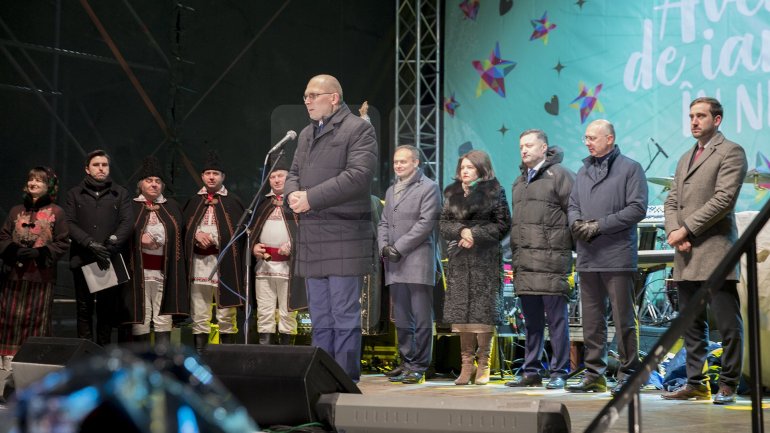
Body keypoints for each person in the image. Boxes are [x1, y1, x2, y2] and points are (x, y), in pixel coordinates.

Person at [284, 74, 378, 382]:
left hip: (345, 235)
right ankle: (321, 375)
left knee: (343, 313)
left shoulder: (359, 129)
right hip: (313, 235)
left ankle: (345, 375)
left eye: (313, 95)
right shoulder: (305, 134)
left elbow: (358, 176)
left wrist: (310, 198)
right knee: (320, 315)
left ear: (334, 98)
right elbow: (293, 173)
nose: (307, 101)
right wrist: (292, 195)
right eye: (305, 96)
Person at [662, 97, 747, 404]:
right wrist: (674, 231)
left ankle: (728, 384)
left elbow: (723, 200)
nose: (694, 121)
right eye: (691, 116)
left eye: (700, 116)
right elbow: (672, 200)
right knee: (691, 322)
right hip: (684, 253)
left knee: (726, 323)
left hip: (714, 251)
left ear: (717, 119)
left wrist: (686, 230)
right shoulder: (686, 157)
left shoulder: (731, 151)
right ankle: (696, 382)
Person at [567, 119, 648, 395]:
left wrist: (599, 226)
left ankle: (628, 375)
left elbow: (637, 208)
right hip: (588, 255)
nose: (587, 142)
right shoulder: (582, 171)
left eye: (592, 138)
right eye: (586, 138)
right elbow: (573, 204)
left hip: (617, 255)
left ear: (609, 139)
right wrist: (576, 222)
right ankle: (595, 374)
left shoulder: (631, 168)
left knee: (624, 319)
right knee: (591, 319)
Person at [505, 130, 574, 390]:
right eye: (521, 146)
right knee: (531, 322)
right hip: (525, 262)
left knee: (557, 321)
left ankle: (559, 370)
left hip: (551, 260)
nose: (524, 150)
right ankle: (531, 370)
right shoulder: (518, 182)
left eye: (529, 145)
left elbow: (574, 213)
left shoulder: (561, 175)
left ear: (544, 147)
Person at [440, 150, 511, 386]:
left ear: (481, 169)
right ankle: (466, 365)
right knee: (463, 315)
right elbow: (443, 224)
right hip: (460, 259)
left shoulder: (494, 191)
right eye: (462, 167)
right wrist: (462, 231)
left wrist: (475, 234)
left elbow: (503, 224)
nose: (465, 171)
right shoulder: (451, 193)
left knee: (483, 314)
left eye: (470, 167)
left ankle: (484, 364)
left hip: (485, 259)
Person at [377, 145, 441, 385]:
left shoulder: (429, 187)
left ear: (416, 162)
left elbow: (426, 224)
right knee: (402, 317)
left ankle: (420, 365)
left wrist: (399, 248)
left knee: (421, 317)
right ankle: (406, 362)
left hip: (417, 260)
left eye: (403, 161)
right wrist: (384, 246)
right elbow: (384, 222)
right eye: (395, 162)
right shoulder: (392, 190)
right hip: (394, 263)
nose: (398, 165)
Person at [0, 167, 69, 370]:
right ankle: (6, 369)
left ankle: (31, 368)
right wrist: (13, 250)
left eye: (39, 180)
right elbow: (3, 236)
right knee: (7, 320)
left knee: (36, 321)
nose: (34, 183)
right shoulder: (16, 211)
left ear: (48, 186)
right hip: (14, 277)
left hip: (41, 277)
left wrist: (41, 253)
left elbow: (63, 242)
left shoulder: (57, 212)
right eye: (31, 179)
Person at [64, 150, 133, 346]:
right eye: (96, 164)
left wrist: (109, 246)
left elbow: (127, 222)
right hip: (83, 257)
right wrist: (90, 243)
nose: (101, 168)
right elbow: (69, 222)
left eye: (105, 164)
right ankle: (84, 353)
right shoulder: (74, 193)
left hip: (108, 258)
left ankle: (102, 353)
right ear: (87, 169)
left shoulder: (120, 192)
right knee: (84, 309)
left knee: (106, 310)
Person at [184, 151, 245, 354]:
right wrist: (195, 233)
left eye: (216, 173)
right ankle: (201, 357)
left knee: (226, 314)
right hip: (199, 265)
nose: (211, 177)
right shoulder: (194, 202)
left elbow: (240, 235)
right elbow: (183, 229)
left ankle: (227, 358)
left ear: (223, 177)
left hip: (224, 267)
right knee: (199, 314)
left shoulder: (233, 202)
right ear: (202, 176)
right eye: (208, 173)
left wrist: (219, 240)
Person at [124, 157, 188, 346]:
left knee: (163, 317)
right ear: (140, 184)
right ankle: (140, 361)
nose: (154, 185)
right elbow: (120, 234)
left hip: (164, 273)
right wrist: (139, 238)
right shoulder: (130, 207)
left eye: (158, 181)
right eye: (149, 180)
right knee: (141, 317)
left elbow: (182, 234)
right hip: (139, 272)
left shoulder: (172, 207)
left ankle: (162, 360)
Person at [249, 154, 304, 345]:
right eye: (273, 177)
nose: (277, 179)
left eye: (281, 175)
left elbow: (307, 233)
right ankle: (265, 354)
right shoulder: (262, 203)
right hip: (264, 267)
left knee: (288, 313)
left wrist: (293, 246)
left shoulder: (297, 203)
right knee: (264, 312)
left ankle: (287, 355)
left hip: (289, 268)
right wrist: (253, 246)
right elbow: (250, 232)